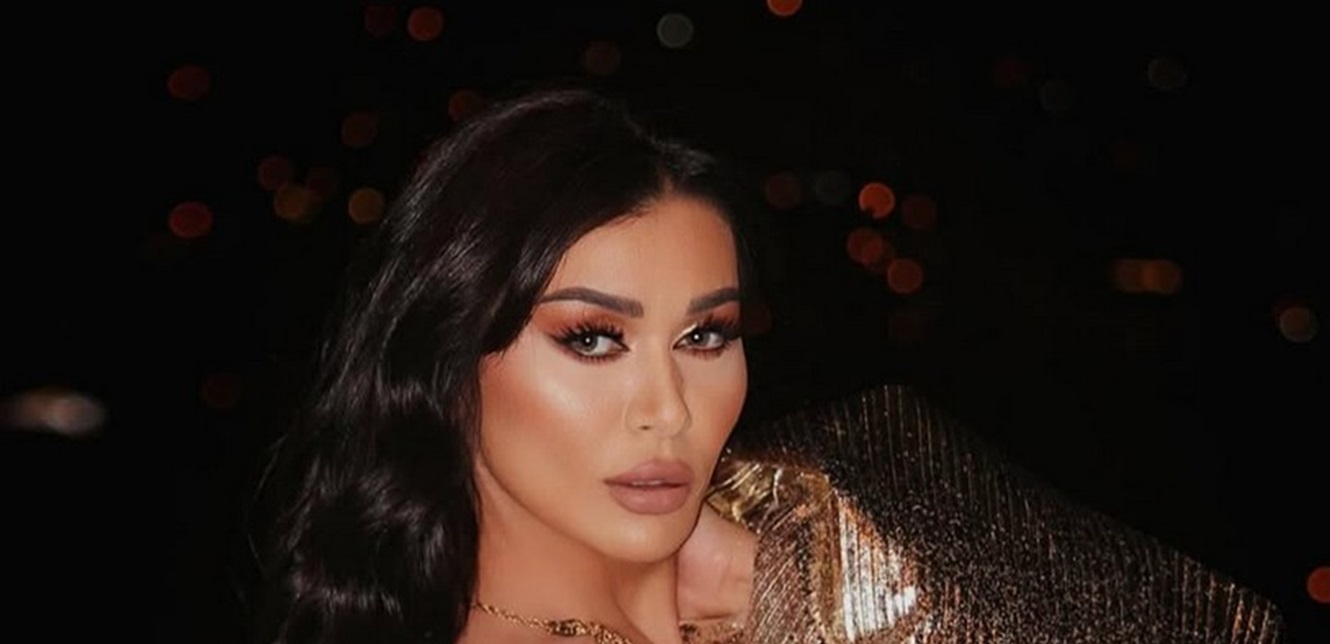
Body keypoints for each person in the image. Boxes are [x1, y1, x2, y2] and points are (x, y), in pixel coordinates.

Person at [249, 87, 1284, 643]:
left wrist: (799, 573)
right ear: (443, 361)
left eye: (705, 336)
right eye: (592, 337)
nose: (668, 408)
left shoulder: (811, 514)